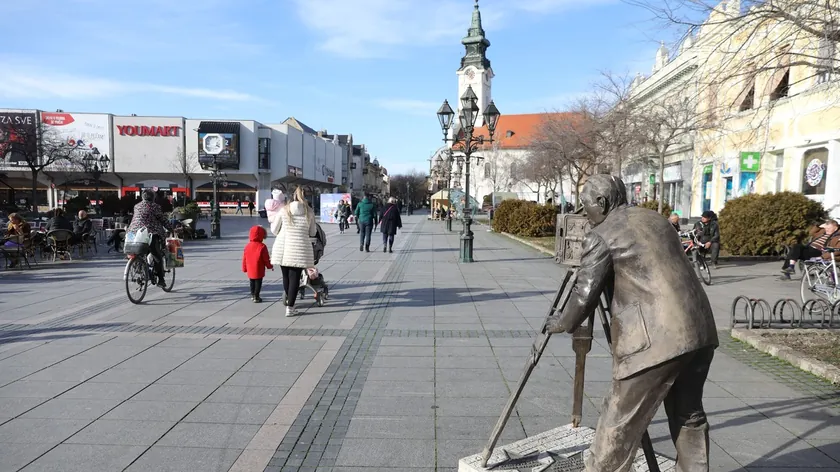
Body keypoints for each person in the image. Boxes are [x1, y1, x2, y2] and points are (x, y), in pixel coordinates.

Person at [545, 174, 718, 472]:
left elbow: (585, 294)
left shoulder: (603, 233)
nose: (584, 212)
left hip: (656, 341)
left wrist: (562, 321)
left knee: (618, 422)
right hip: (699, 329)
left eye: (585, 205)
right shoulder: (657, 220)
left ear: (601, 202)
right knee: (689, 414)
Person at [270, 187, 317, 317]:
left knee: (286, 277)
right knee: (295, 278)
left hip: (283, 248)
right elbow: (312, 232)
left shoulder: (283, 210)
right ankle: (290, 307)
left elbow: (274, 230)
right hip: (299, 249)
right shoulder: (309, 212)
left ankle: (289, 303)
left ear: (290, 197)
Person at [128, 190, 173, 286]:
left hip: (134, 233)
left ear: (142, 197)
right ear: (153, 198)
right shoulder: (155, 206)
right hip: (149, 233)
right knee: (157, 256)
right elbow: (163, 219)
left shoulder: (137, 206)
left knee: (140, 251)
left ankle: (139, 266)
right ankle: (161, 280)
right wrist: (171, 228)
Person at [242, 225, 273, 303]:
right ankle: (257, 296)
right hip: (259, 268)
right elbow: (266, 259)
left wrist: (244, 268)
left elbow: (244, 259)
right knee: (258, 282)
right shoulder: (262, 246)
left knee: (251, 282)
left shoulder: (247, 246)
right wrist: (269, 266)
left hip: (250, 268)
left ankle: (252, 295)